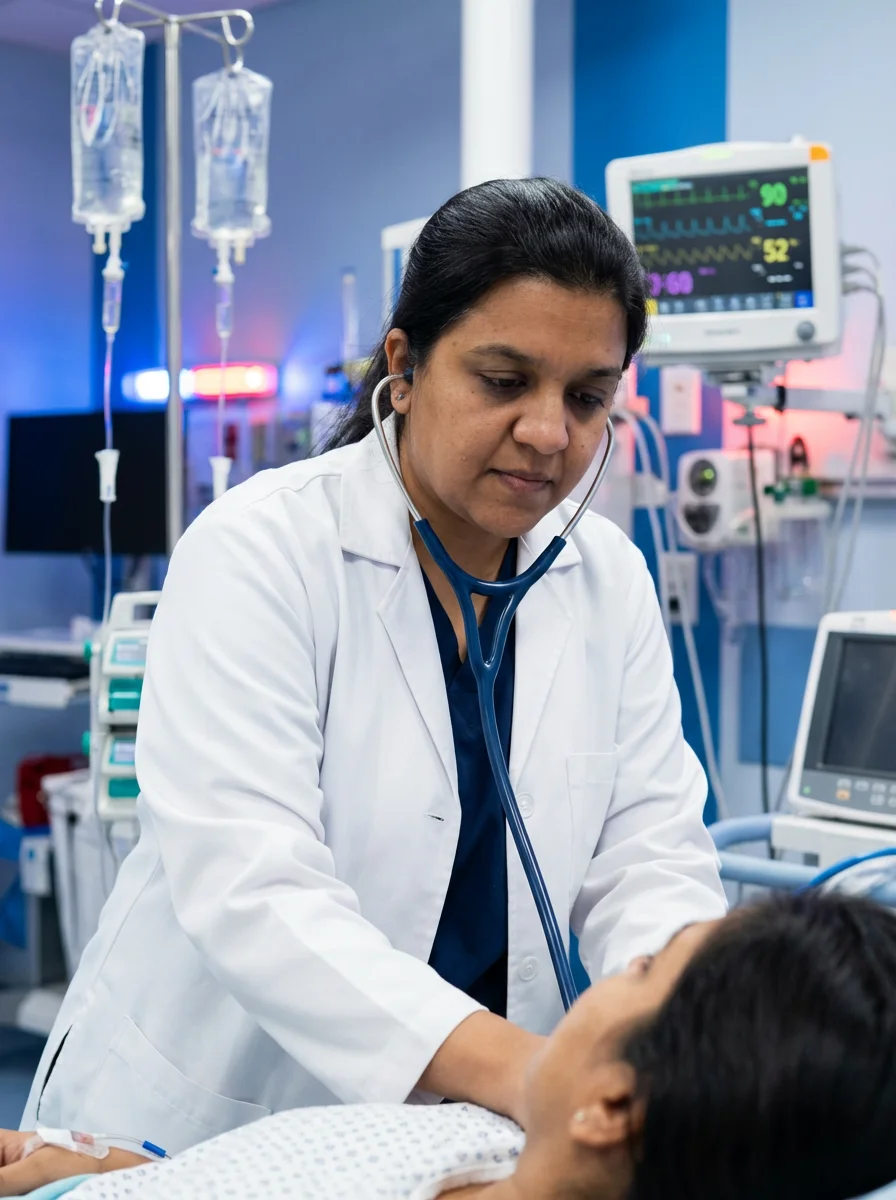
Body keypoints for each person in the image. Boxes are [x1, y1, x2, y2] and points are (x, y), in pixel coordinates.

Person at [23, 178, 726, 1152]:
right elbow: (255, 888)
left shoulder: (606, 577)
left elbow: (648, 854)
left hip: (463, 1127)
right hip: (214, 1116)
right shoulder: (261, 550)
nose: (547, 433)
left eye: (586, 396)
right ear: (404, 366)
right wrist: (530, 1074)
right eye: (503, 380)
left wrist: (680, 1029)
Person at [5, 891, 896, 1199]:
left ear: (613, 1106)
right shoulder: (492, 1142)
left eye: (646, 967)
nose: (628, 963)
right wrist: (134, 1176)